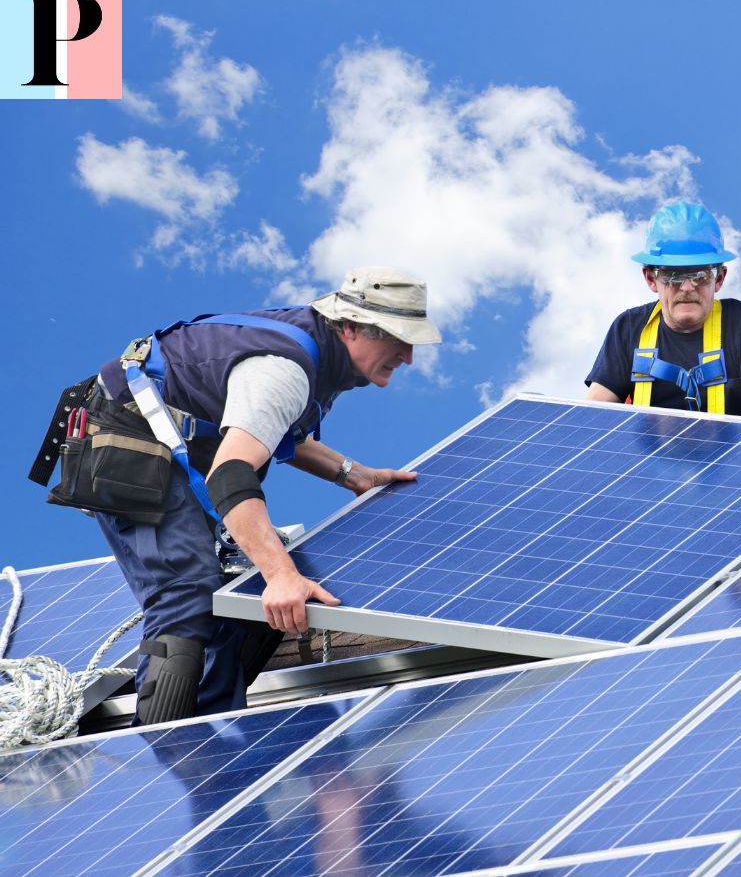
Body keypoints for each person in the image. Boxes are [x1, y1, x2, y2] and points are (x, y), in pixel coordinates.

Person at [31, 267, 441, 725]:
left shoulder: (322, 359)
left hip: (167, 444)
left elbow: (275, 430)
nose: (407, 355)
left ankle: (213, 746)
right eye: (397, 339)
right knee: (187, 592)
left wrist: (352, 475)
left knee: (232, 592)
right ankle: (164, 748)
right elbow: (229, 472)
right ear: (349, 327)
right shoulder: (284, 369)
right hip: (123, 440)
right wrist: (282, 574)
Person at [585, 202, 741, 423]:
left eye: (700, 275)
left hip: (730, 457)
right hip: (646, 455)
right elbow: (596, 407)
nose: (687, 287)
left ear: (719, 278)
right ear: (651, 279)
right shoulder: (628, 328)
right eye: (673, 275)